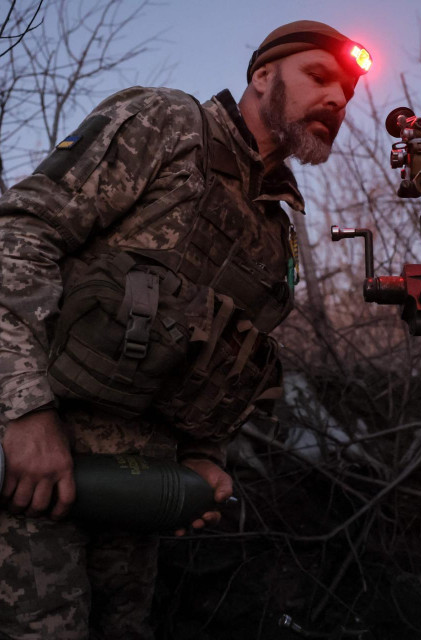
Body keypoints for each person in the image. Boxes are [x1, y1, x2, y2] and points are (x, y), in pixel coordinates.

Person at [0, 20, 372, 639]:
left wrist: (203, 459)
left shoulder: (274, 231)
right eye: (318, 76)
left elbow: (225, 357)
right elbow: (20, 236)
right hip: (36, 470)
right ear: (261, 76)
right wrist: (22, 412)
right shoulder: (170, 126)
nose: (337, 99)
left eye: (348, 93)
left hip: (136, 497)